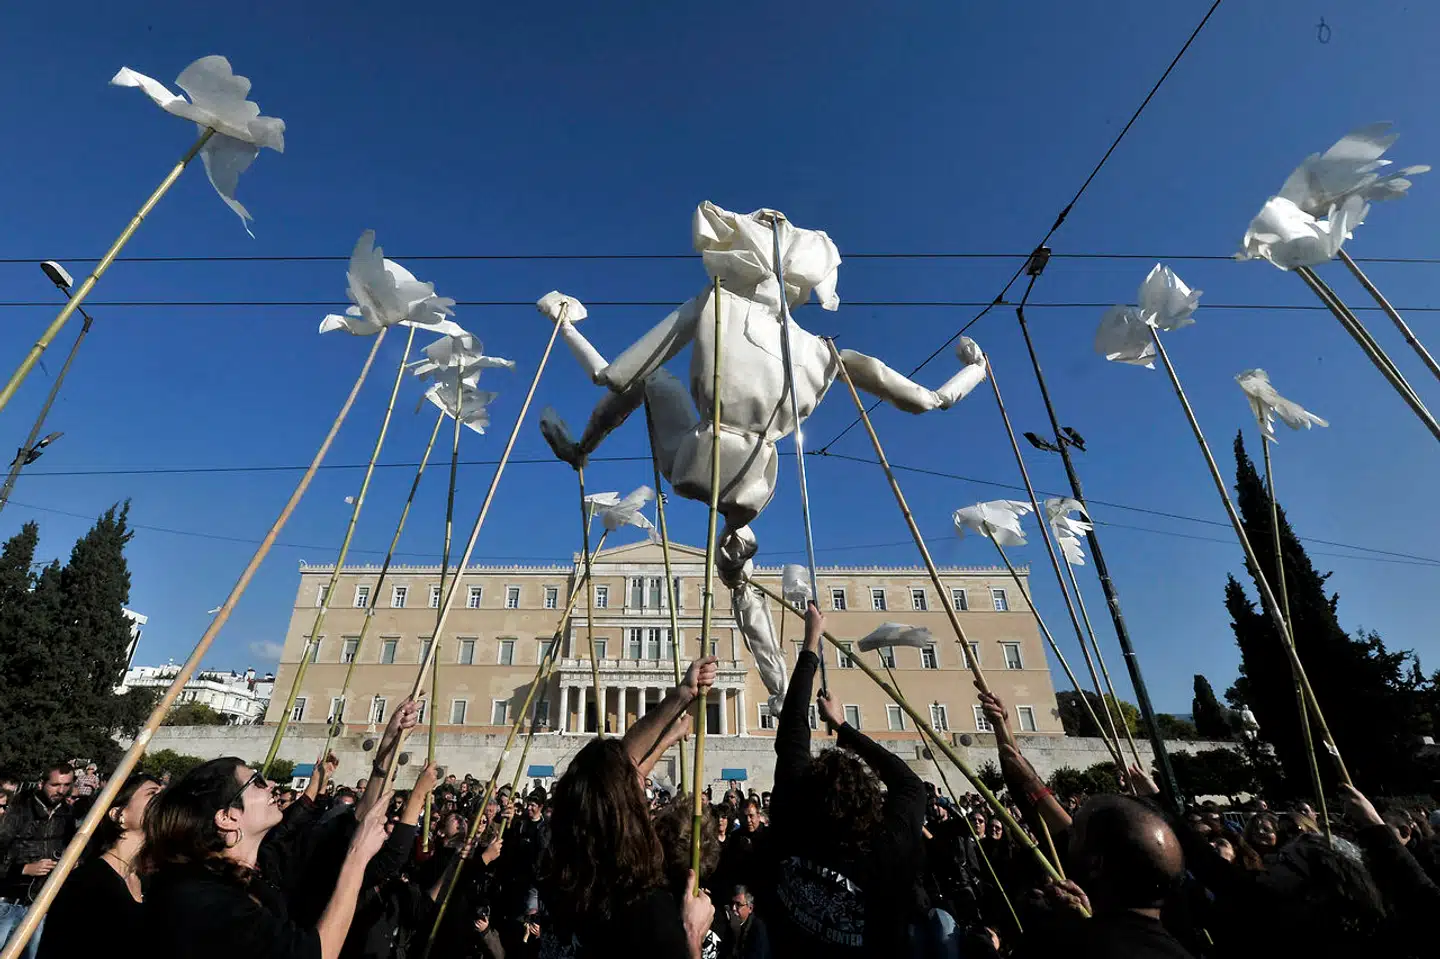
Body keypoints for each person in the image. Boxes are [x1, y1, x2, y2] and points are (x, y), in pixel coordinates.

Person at [763, 604, 927, 955]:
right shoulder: (887, 846)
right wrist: (843, 727)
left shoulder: (792, 820)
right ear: (870, 800)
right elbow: (909, 784)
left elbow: (792, 728)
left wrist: (810, 642)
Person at [538, 655, 717, 958]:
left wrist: (681, 699)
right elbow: (620, 773)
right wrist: (692, 935)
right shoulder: (647, 911)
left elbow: (617, 775)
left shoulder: (558, 865)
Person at [141, 758, 391, 959]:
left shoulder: (262, 869)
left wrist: (385, 753)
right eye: (257, 782)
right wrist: (357, 858)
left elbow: (348, 826)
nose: (271, 783)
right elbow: (316, 953)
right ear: (227, 817)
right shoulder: (204, 898)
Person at [36, 774, 161, 959]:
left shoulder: (147, 880)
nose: (165, 801)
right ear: (119, 814)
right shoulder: (85, 883)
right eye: (153, 794)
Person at [0, 762, 77, 957]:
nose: (61, 790)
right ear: (41, 783)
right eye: (55, 785)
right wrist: (24, 868)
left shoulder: (67, 813)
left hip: (43, 903)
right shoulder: (17, 808)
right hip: (11, 900)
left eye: (67, 785)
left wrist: (73, 861)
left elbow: (72, 847)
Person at [719, 886, 768, 959]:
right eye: (732, 903)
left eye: (738, 905)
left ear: (750, 908)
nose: (733, 908)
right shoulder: (726, 919)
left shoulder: (757, 930)